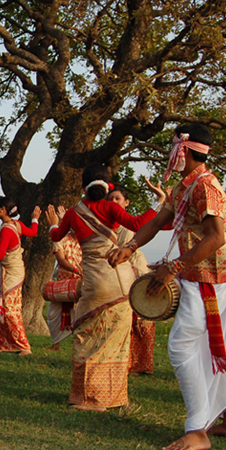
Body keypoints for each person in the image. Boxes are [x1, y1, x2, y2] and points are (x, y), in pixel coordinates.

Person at [108, 124, 226, 450]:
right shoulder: (184, 187)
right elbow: (157, 222)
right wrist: (129, 248)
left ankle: (197, 429)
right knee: (216, 351)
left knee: (183, 348)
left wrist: (172, 268)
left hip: (209, 283)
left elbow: (216, 238)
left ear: (184, 151)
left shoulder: (205, 187)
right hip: (197, 279)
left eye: (174, 149)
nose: (170, 156)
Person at [46, 164, 158, 412]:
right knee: (115, 341)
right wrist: (160, 203)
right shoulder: (111, 207)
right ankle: (114, 396)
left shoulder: (74, 213)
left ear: (82, 187)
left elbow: (56, 237)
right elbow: (139, 223)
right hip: (121, 282)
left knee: (86, 337)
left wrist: (53, 223)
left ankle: (89, 398)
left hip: (95, 283)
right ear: (107, 187)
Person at [106, 182, 167, 375]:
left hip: (136, 274)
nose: (114, 202)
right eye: (111, 199)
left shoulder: (127, 224)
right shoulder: (108, 223)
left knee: (142, 321)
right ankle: (129, 362)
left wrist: (160, 200)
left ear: (126, 203)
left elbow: (143, 225)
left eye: (118, 199)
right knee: (126, 322)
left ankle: (142, 364)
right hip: (120, 277)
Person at [0, 195, 39, 355]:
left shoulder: (6, 229)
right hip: (14, 269)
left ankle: (23, 345)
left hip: (11, 272)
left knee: (9, 308)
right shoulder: (15, 225)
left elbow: (1, 254)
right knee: (4, 305)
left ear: (3, 210)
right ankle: (0, 343)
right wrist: (35, 219)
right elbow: (32, 232)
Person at [45, 223, 81, 351]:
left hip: (81, 283)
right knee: (53, 314)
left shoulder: (88, 241)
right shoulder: (61, 238)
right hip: (62, 283)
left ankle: (79, 345)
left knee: (81, 314)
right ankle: (56, 345)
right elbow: (60, 259)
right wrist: (76, 269)